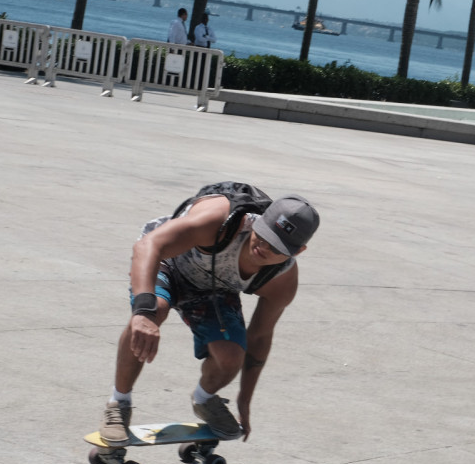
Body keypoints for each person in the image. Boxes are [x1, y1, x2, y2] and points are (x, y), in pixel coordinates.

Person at [100, 187, 321, 444]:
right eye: (264, 235)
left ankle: (204, 400)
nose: (264, 247)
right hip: (167, 262)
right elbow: (148, 245)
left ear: (298, 251)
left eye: (277, 246)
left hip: (214, 287)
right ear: (259, 220)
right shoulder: (220, 221)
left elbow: (259, 337)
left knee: (231, 357)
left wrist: (244, 400)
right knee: (153, 311)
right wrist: (142, 311)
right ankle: (118, 403)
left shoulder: (281, 280)